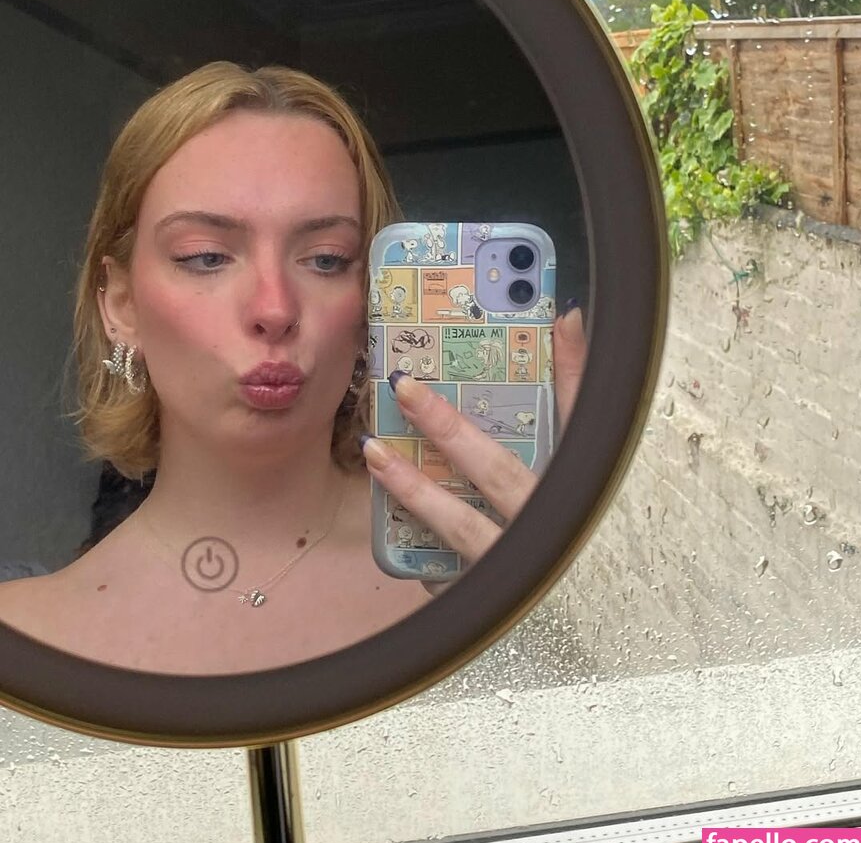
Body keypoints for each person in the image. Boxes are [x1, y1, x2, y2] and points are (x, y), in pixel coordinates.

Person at [0, 62, 587, 675]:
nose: (275, 310)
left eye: (326, 260)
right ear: (122, 305)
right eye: (206, 256)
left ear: (373, 303)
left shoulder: (493, 563)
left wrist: (546, 625)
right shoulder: (23, 642)